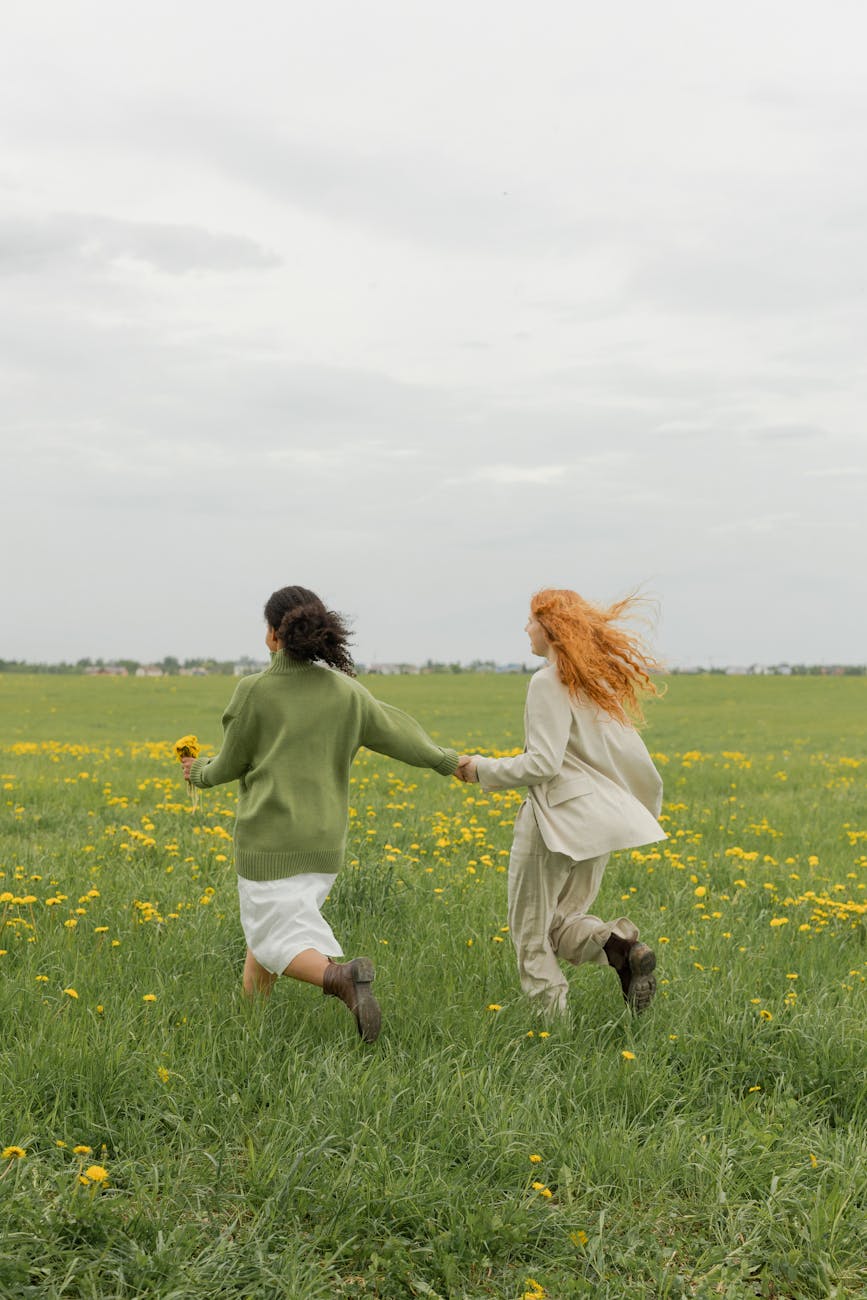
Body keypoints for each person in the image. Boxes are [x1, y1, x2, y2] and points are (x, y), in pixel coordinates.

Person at [181, 585, 460, 1043]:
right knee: (269, 928)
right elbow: (398, 732)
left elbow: (229, 764)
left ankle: (341, 978)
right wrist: (446, 761)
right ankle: (250, 1023)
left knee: (273, 935)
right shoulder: (346, 691)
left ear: (274, 635)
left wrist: (197, 772)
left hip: (269, 841)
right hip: (324, 845)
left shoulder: (254, 691)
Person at [456, 589, 666, 1019]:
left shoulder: (547, 681)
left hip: (554, 821)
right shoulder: (592, 680)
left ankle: (552, 1032)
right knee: (561, 925)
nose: (526, 629)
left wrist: (480, 769)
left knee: (531, 934)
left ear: (551, 628)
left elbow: (542, 763)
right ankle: (620, 948)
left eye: (531, 621)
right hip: (598, 821)